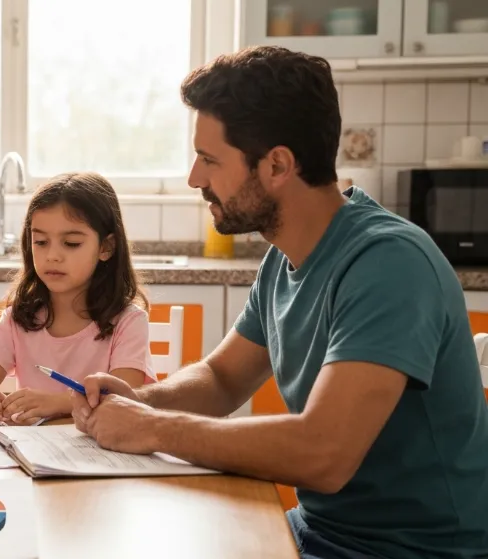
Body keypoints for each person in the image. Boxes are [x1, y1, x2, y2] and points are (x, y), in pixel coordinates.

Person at [71, 46, 488, 559]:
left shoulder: (389, 263)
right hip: (318, 534)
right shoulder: (284, 258)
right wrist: (142, 402)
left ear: (277, 165)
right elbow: (223, 378)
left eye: (209, 159)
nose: (195, 178)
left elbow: (323, 453)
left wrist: (152, 428)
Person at [0, 172, 154, 426]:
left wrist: (57, 403)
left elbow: (124, 399)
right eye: (41, 242)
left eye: (71, 243)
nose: (52, 255)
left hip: (100, 447)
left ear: (106, 247)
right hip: (34, 447)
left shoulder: (128, 322)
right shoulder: (17, 319)